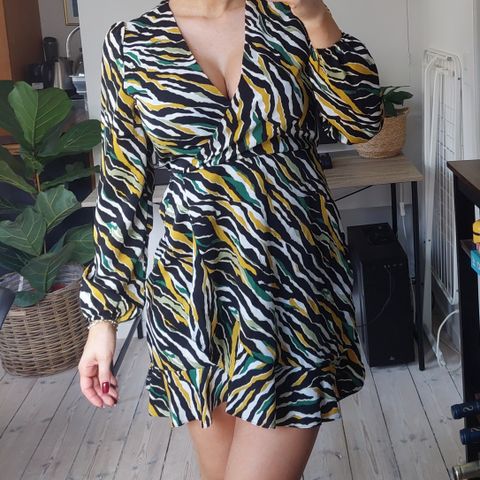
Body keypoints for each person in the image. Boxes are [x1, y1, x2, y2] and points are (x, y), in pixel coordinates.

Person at [77, 0, 384, 478]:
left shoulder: (289, 18)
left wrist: (317, 17)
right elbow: (122, 185)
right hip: (194, 295)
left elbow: (362, 123)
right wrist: (103, 319)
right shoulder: (131, 42)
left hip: (291, 284)